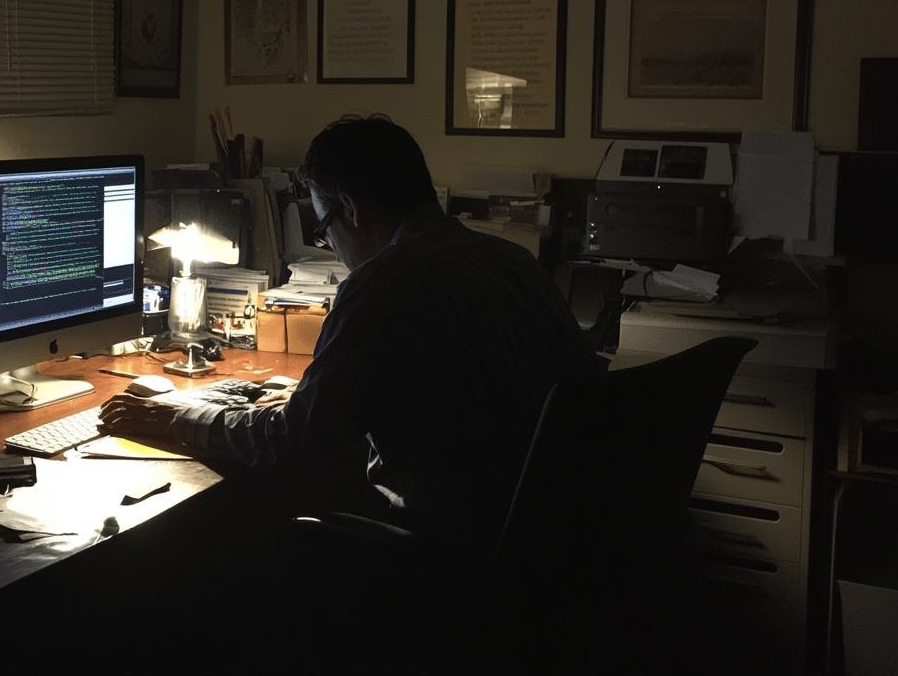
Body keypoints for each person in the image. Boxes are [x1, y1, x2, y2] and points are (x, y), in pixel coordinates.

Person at [101, 114, 600, 547]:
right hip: (551, 532)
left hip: (455, 538)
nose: (331, 245)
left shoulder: (383, 283)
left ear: (352, 208)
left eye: (322, 228)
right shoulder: (512, 260)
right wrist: (310, 404)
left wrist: (173, 417)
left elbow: (293, 443)